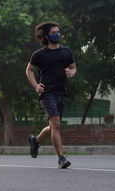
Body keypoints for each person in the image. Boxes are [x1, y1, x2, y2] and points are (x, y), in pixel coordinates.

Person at [25, 22, 77, 169]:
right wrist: (36, 86)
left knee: (53, 126)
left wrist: (71, 73)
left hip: (61, 92)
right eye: (54, 32)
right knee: (56, 125)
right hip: (47, 93)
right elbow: (29, 70)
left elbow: (73, 68)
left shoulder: (66, 52)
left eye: (58, 31)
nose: (57, 34)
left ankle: (35, 141)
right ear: (47, 36)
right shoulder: (39, 54)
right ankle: (61, 158)